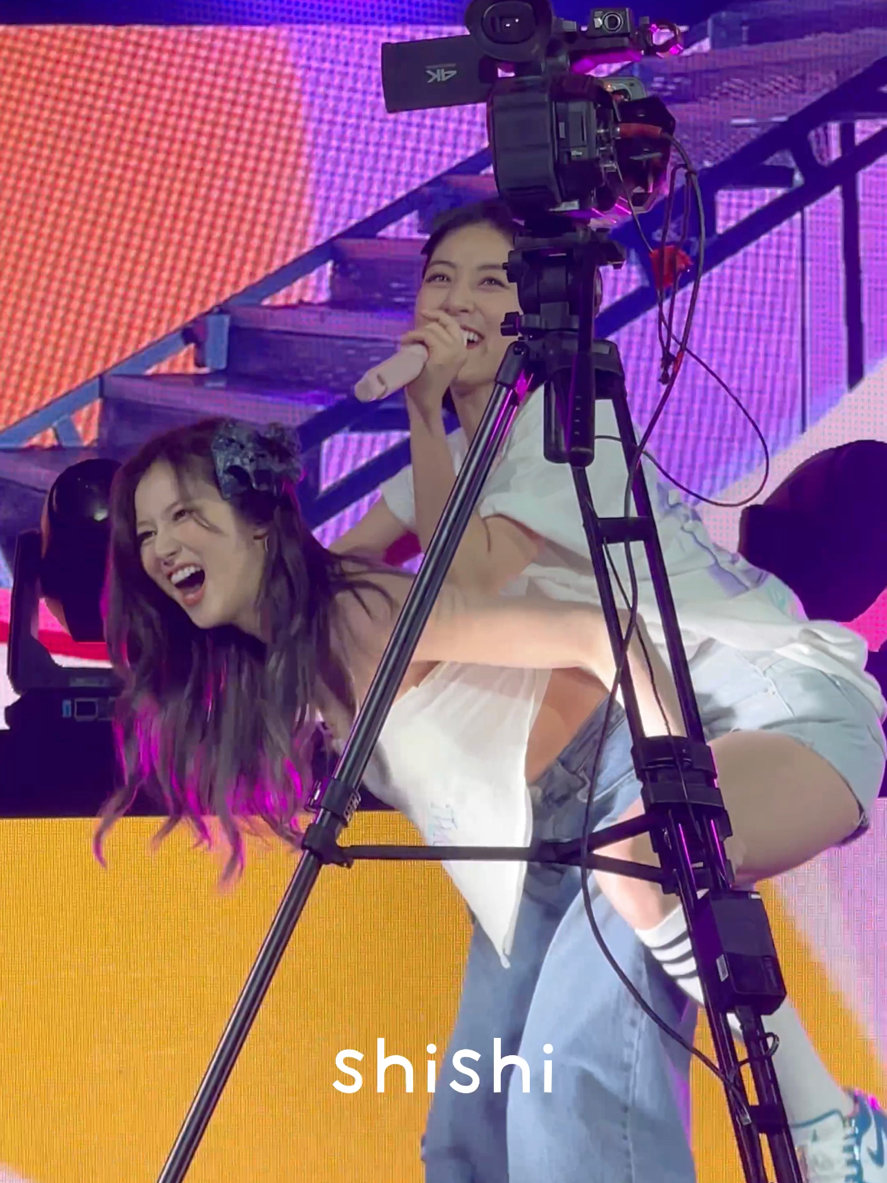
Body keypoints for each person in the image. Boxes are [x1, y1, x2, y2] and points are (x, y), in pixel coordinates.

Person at [331, 198, 887, 1183]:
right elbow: (339, 583)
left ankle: (828, 1125)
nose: (455, 301)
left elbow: (459, 590)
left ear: (541, 316)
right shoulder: (454, 464)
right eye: (439, 279)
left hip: (768, 708)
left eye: (490, 282)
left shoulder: (568, 433)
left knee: (636, 888)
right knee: (473, 1135)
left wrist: (418, 415)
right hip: (607, 762)